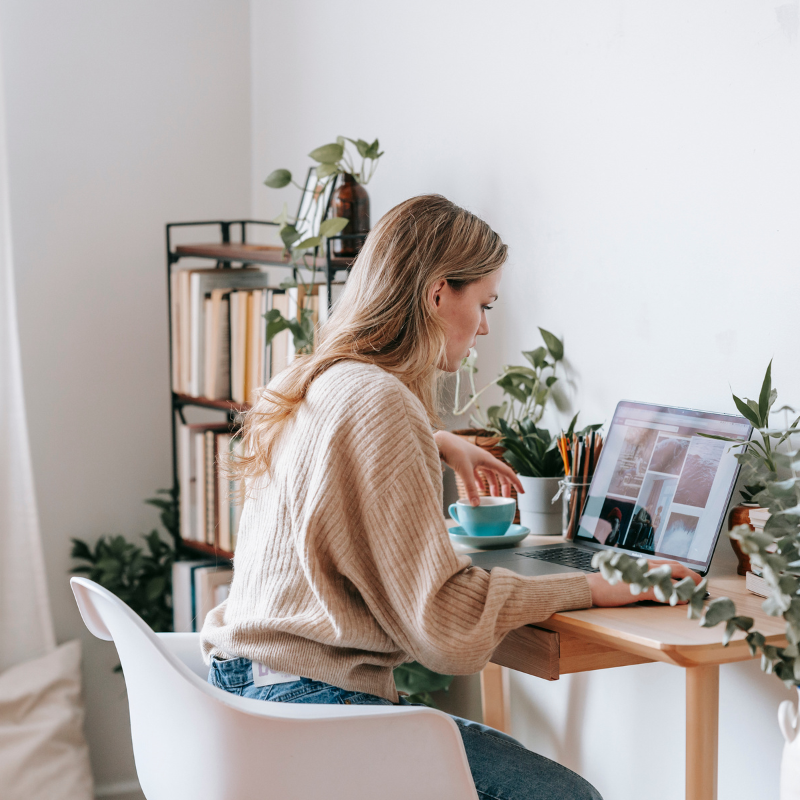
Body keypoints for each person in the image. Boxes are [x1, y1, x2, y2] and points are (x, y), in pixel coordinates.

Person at [201, 195, 700, 800]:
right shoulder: (382, 403)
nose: (485, 325)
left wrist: (439, 441)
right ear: (439, 294)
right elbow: (444, 625)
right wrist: (595, 586)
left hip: (246, 688)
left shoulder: (309, 377)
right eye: (483, 303)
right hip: (310, 706)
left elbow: (340, 444)